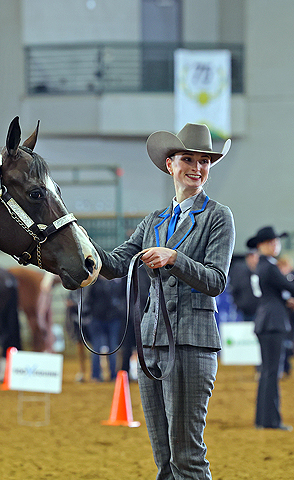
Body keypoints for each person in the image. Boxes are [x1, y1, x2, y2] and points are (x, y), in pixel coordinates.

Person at [90, 123, 234, 479]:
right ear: (170, 164)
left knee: (186, 455)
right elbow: (116, 264)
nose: (197, 168)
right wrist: (76, 245)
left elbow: (216, 281)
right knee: (164, 458)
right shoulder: (153, 220)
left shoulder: (218, 217)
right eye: (189, 159)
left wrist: (175, 258)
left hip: (191, 345)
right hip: (151, 345)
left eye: (204, 161)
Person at [246, 226, 294, 431]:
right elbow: (289, 287)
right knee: (271, 372)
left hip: (266, 320)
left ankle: (263, 419)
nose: (276, 245)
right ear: (262, 245)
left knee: (268, 371)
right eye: (271, 242)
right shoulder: (270, 266)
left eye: (276, 241)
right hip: (273, 322)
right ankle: (271, 420)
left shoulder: (262, 266)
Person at [84, 276, 125, 382]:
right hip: (100, 319)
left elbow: (88, 300)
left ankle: (104, 375)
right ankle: (99, 375)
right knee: (103, 348)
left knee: (109, 347)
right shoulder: (115, 281)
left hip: (110, 318)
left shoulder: (95, 282)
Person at [228, 250, 260, 322]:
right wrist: (239, 304)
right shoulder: (239, 269)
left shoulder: (261, 269)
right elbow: (234, 287)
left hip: (260, 308)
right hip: (244, 309)